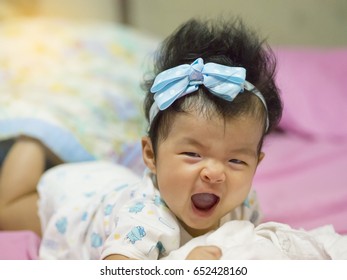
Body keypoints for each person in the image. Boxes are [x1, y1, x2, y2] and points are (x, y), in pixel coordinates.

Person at [0, 17, 282, 260]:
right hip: (72, 199)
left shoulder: (245, 204)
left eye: (236, 160)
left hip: (111, 181)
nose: (215, 173)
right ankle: (35, 133)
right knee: (7, 209)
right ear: (150, 155)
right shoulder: (145, 218)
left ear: (256, 164)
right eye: (193, 154)